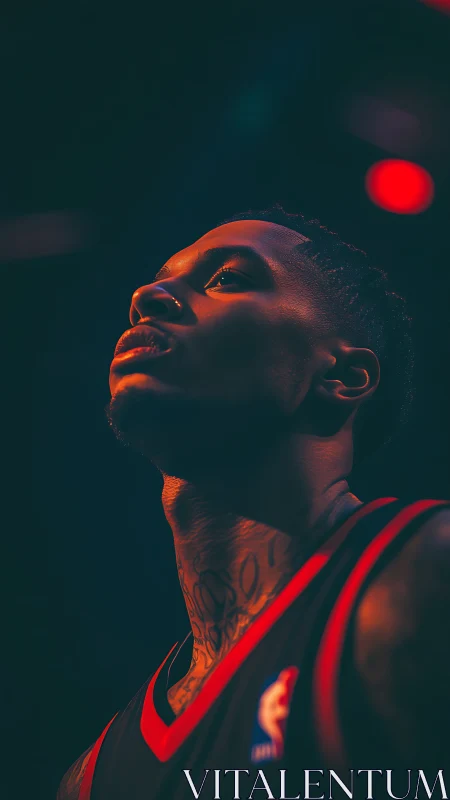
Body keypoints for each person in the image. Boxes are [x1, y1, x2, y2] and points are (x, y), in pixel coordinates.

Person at [57, 207, 449, 800]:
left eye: (227, 278)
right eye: (159, 279)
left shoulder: (423, 578)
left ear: (342, 376)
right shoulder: (91, 776)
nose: (147, 296)